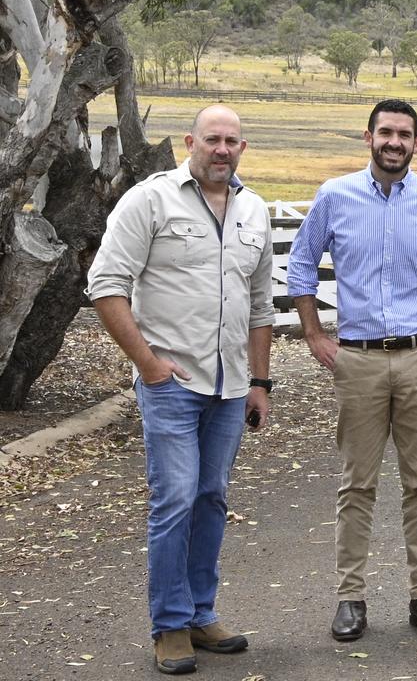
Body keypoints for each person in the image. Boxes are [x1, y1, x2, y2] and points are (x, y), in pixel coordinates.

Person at [286, 99, 417, 642]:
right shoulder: (335, 196)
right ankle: (351, 599)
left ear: (416, 144)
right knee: (357, 484)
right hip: (360, 359)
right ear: (369, 136)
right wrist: (315, 334)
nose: (395, 142)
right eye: (386, 132)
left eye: (405, 135)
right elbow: (301, 265)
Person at [87, 105, 272, 674]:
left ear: (243, 148)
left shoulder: (254, 209)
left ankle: (199, 613)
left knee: (211, 496)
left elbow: (261, 306)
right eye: (212, 139)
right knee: (175, 500)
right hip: (172, 384)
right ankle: (168, 626)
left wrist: (260, 382)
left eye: (232, 141)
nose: (222, 149)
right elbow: (105, 283)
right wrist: (147, 364)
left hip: (231, 387)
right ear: (191, 141)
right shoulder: (150, 199)